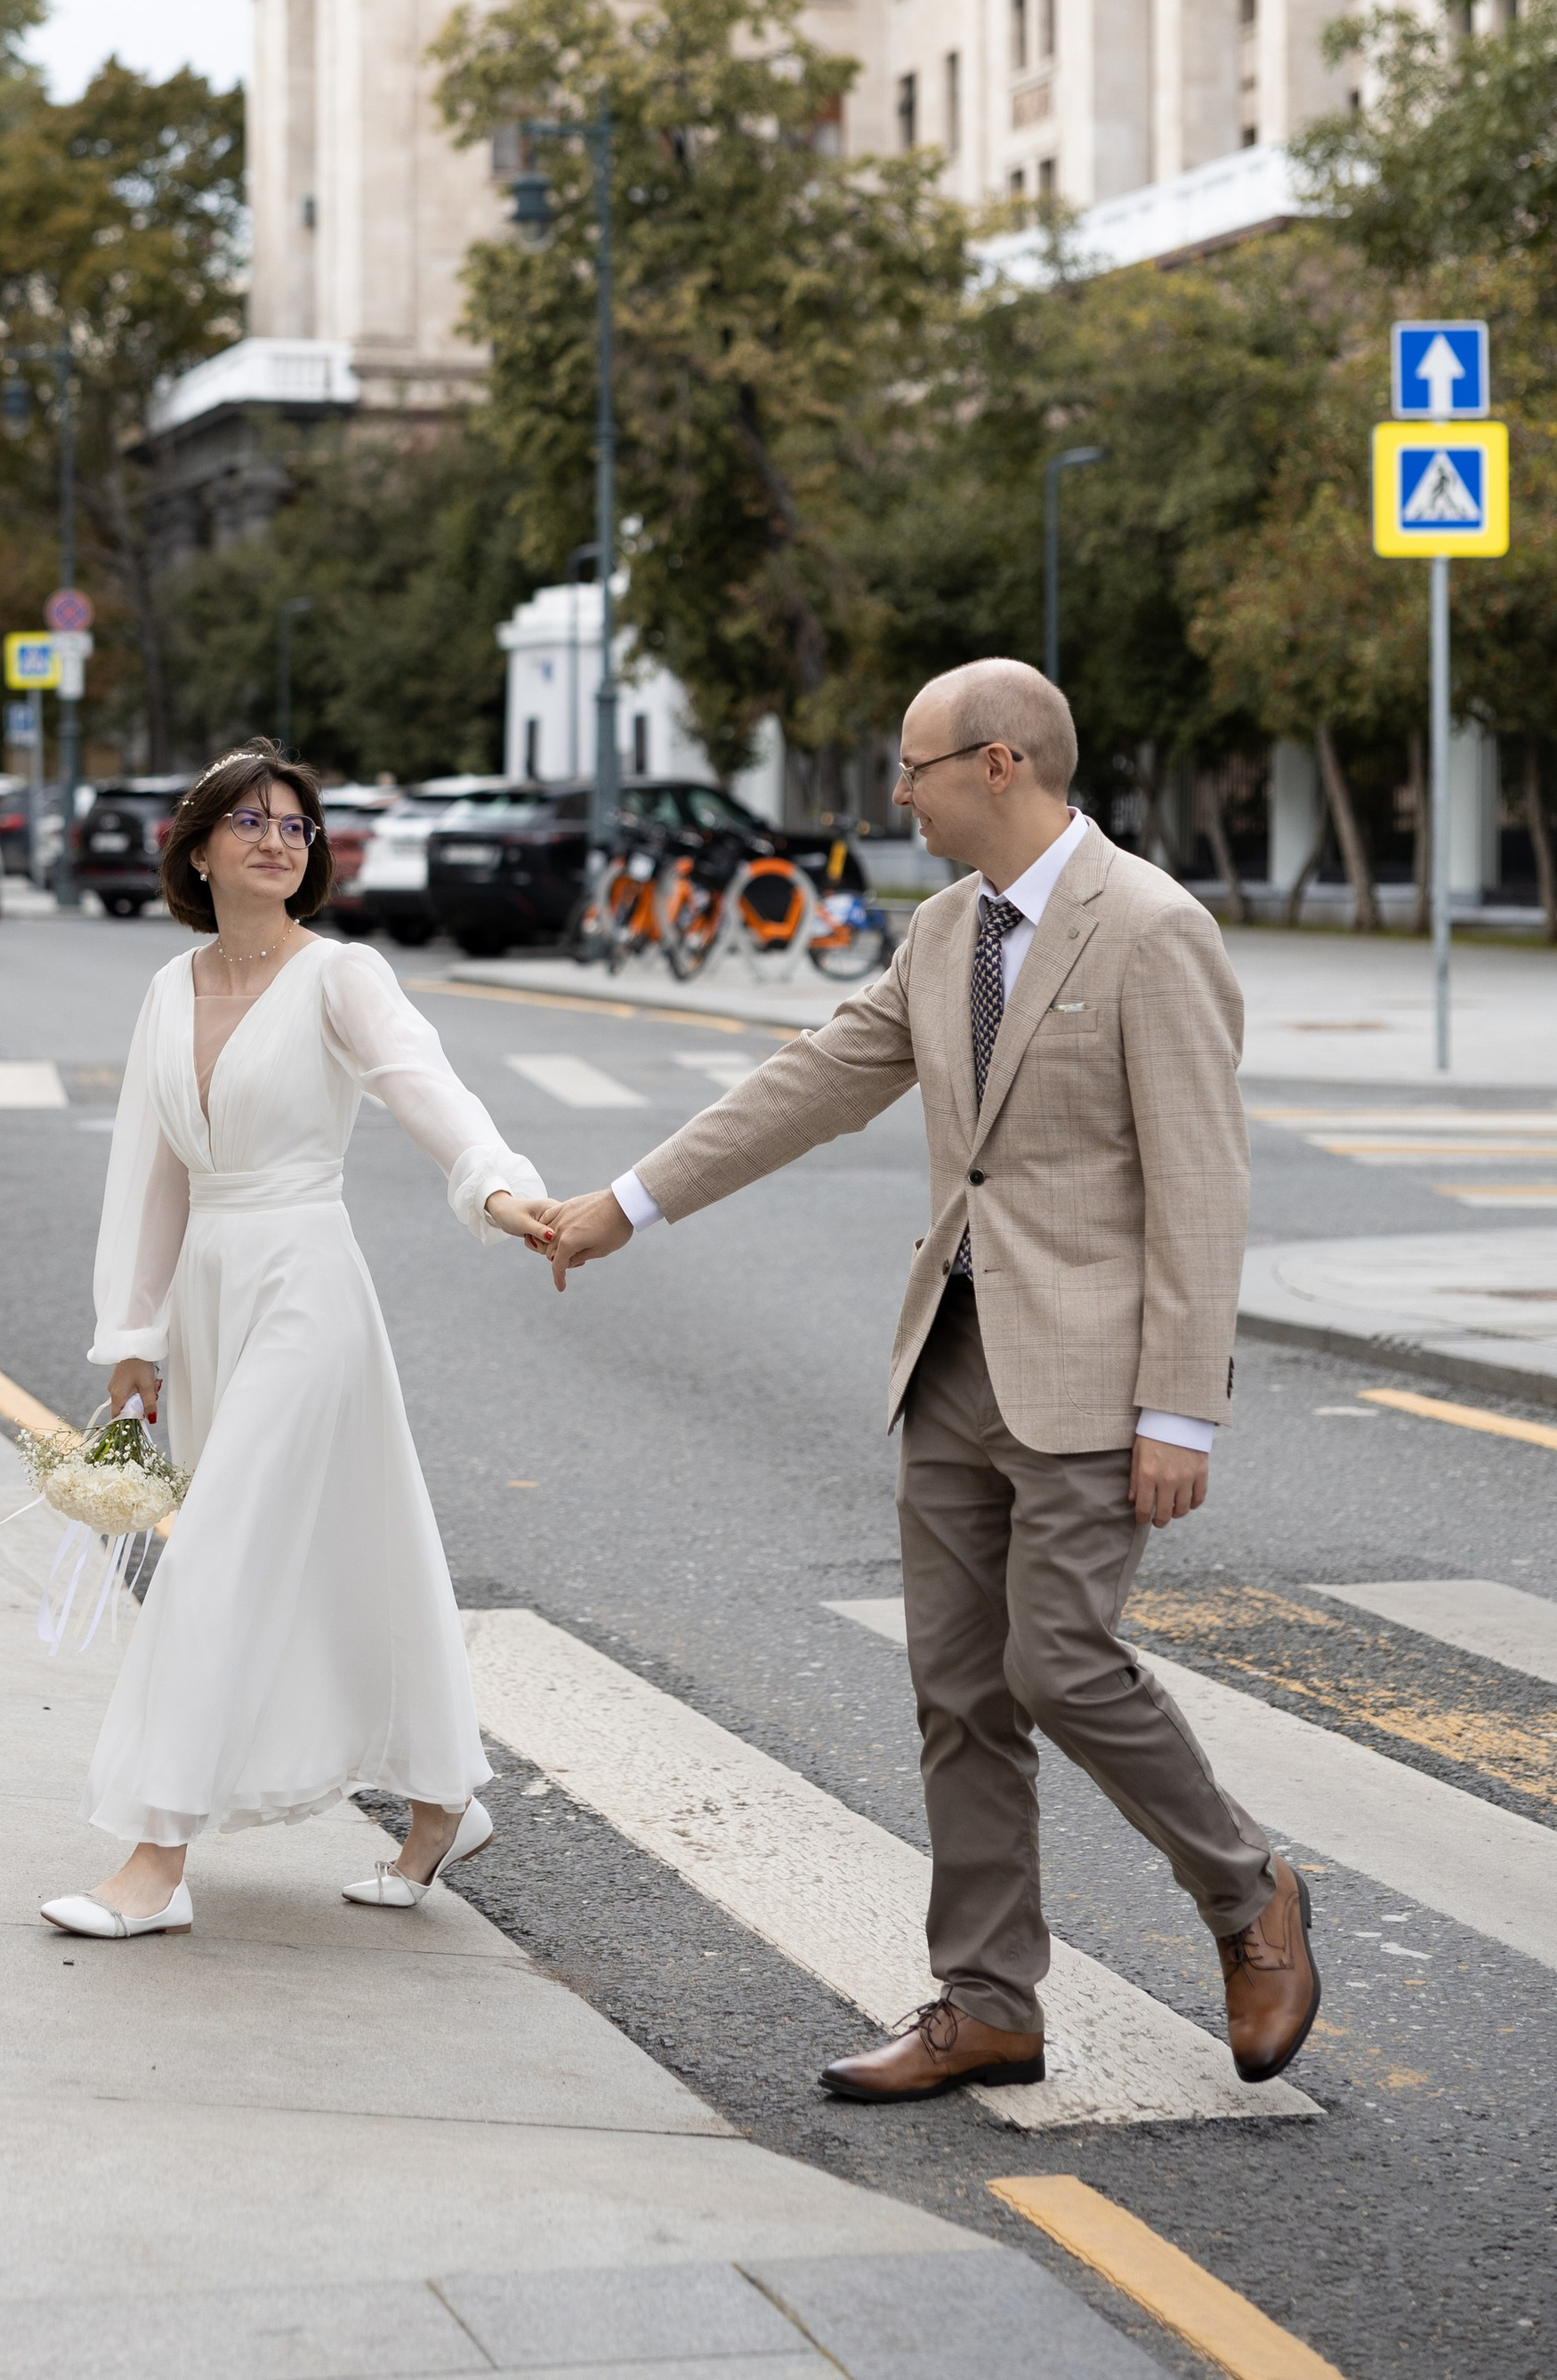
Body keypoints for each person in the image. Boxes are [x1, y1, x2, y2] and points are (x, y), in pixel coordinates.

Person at [534, 658, 1319, 2101]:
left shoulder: (1153, 928)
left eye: (917, 767)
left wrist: (1180, 1409)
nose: (900, 793)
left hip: (1091, 1375)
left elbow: (1203, 1183)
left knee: (1059, 1663)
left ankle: (1246, 1891)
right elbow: (818, 1077)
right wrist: (627, 1205)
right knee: (958, 1691)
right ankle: (988, 2003)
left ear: (1000, 763)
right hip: (952, 1357)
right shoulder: (948, 928)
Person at [41, 740, 554, 1942]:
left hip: (307, 1288)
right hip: (212, 1297)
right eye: (252, 822)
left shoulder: (341, 976)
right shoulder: (169, 990)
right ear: (198, 851)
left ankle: (156, 1858)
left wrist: (498, 1189)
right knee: (338, 1555)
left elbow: (424, 1085)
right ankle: (442, 1799)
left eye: (295, 826)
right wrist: (134, 1340)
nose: (278, 840)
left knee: (215, 1552)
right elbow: (152, 1174)